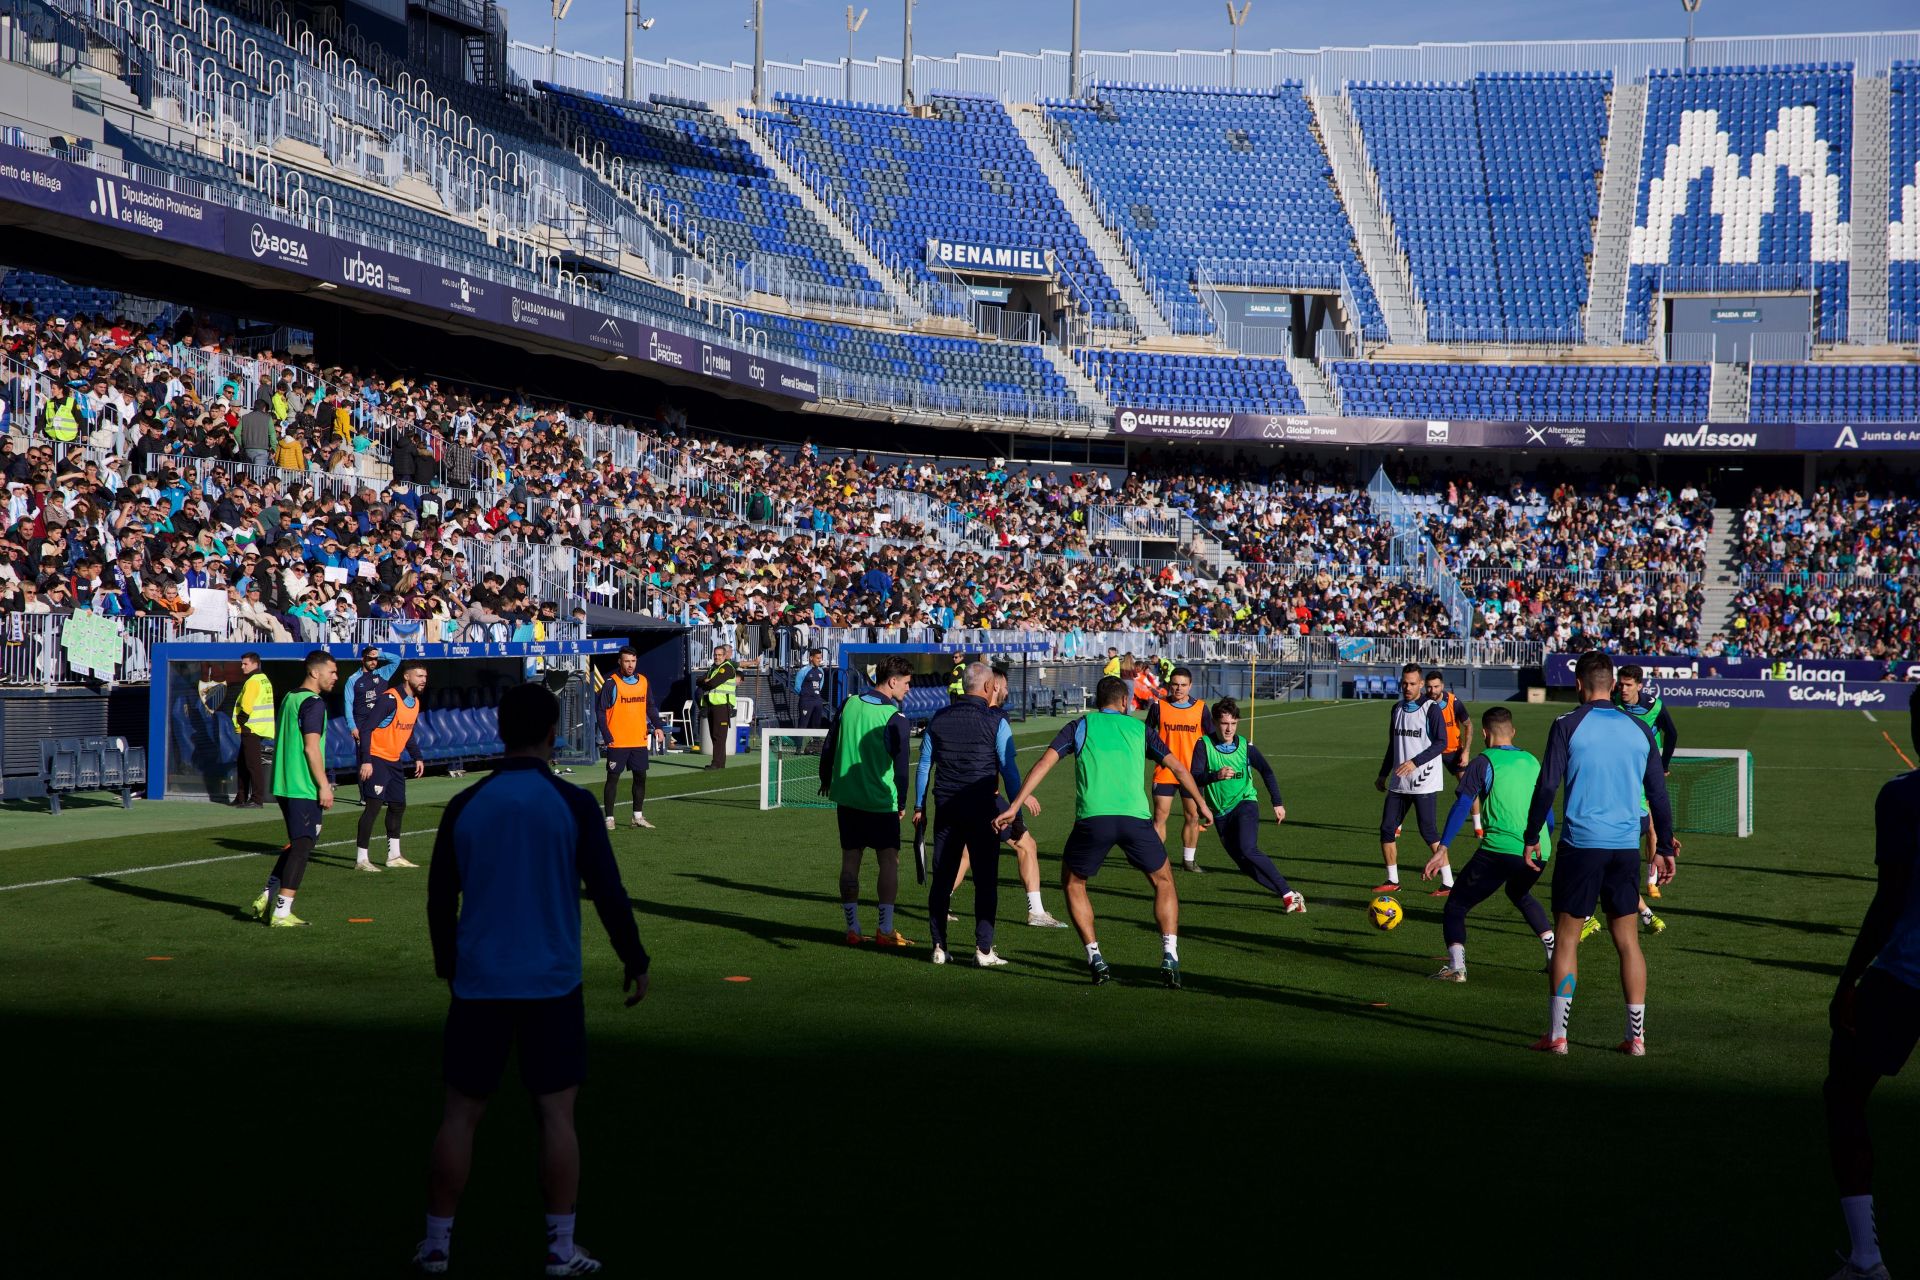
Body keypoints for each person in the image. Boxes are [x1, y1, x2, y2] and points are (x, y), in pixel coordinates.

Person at [416, 682, 651, 1277]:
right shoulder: (571, 804)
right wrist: (635, 957)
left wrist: (448, 962)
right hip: (550, 980)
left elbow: (440, 895)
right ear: (553, 733)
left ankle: (437, 1245)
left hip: (481, 981)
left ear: (499, 730)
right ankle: (559, 1247)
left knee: (461, 1113)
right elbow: (607, 890)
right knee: (555, 1114)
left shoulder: (466, 804)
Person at [994, 675, 1212, 989]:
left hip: (1093, 820)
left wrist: (1015, 805)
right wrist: (1202, 804)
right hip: (1135, 819)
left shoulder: (1080, 726)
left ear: (1097, 701)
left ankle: (1094, 956)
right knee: (1163, 880)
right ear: (1125, 702)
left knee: (1073, 881)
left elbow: (1044, 763)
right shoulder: (1140, 729)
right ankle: (1170, 953)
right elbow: (1178, 767)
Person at [1523, 650, 1677, 1056]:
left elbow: (1547, 786)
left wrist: (1531, 833)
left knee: (1569, 940)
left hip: (1581, 845)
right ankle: (1637, 1038)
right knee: (1628, 941)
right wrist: (1663, 847)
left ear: (1578, 685)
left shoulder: (1566, 725)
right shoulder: (1640, 729)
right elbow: (1658, 793)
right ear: (1612, 685)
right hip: (1626, 847)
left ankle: (1558, 1036)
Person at [1823, 683, 1920, 1280]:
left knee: (1845, 1094)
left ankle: (1866, 1256)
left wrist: (1848, 979)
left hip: (1905, 972)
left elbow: (1889, 900)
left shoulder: (1903, 797)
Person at [1423, 707, 1557, 982]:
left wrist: (1443, 848)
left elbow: (1462, 805)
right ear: (1513, 732)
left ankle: (1457, 967)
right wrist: (1543, 840)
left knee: (1456, 906)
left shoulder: (1484, 761)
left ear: (1484, 733)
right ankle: (1554, 955)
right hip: (1539, 849)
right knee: (1519, 893)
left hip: (1501, 850)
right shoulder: (1532, 761)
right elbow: (1549, 813)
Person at [916, 662, 1027, 967]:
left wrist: (918, 805)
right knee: (986, 880)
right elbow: (1009, 769)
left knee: (943, 878)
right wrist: (1016, 812)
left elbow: (925, 765)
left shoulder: (938, 717)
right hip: (983, 810)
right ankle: (984, 949)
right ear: (990, 687)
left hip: (947, 809)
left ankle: (939, 945)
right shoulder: (997, 720)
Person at [942, 670, 1068, 930]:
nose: (1008, 690)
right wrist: (1018, 800)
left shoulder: (963, 716)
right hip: (989, 800)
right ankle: (1036, 912)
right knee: (1026, 845)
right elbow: (1005, 766)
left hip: (958, 797)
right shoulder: (996, 717)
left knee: (965, 854)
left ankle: (941, 904)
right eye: (1006, 685)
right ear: (995, 685)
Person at [820, 655, 915, 948]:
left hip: (847, 797)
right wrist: (901, 801)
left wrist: (826, 779)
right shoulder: (895, 718)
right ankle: (884, 929)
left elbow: (829, 744)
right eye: (907, 683)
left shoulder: (849, 704)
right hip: (879, 801)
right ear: (893, 681)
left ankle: (852, 928)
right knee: (889, 860)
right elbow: (901, 768)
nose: (909, 689)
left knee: (850, 860)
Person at [247, 649, 338, 929]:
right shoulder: (314, 703)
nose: (336, 677)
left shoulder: (290, 697)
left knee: (301, 840)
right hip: (302, 785)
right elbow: (311, 748)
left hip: (285, 783)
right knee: (303, 846)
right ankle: (282, 912)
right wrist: (324, 785)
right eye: (332, 672)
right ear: (315, 672)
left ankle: (267, 895)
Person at [1189, 698, 1303, 913]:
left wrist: (1277, 803)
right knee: (1243, 863)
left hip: (1245, 803)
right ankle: (1290, 894)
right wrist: (1215, 776)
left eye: (1233, 723)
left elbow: (1267, 771)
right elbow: (1194, 777)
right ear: (1214, 722)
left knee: (1248, 848)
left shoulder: (1245, 746)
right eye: (1224, 723)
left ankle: (1287, 894)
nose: (1229, 728)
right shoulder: (1203, 745)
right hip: (1221, 813)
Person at [1375, 664, 1452, 896]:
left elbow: (1441, 743)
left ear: (1421, 684)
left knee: (1428, 831)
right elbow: (1393, 744)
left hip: (1424, 781)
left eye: (1412, 683)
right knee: (1387, 829)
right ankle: (1392, 880)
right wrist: (1383, 773)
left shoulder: (1431, 709)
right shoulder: (1396, 709)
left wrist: (1415, 762)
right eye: (1404, 683)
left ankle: (1449, 882)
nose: (1407, 687)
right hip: (1399, 782)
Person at [355, 659, 428, 872]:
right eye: (419, 676)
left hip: (395, 760)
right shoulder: (389, 699)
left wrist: (417, 756)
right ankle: (361, 859)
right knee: (374, 807)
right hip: (376, 759)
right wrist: (366, 760)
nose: (423, 680)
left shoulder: (414, 703)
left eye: (425, 676)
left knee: (398, 805)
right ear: (407, 676)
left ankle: (394, 856)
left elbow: (408, 733)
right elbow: (366, 729)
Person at [1614, 664, 1680, 901]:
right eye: (1620, 683)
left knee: (1652, 828)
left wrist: (1663, 766)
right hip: (1620, 775)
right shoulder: (1613, 705)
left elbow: (1671, 734)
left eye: (1628, 684)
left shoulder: (1654, 706)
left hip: (1645, 774)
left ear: (1639, 686)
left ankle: (1651, 881)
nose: (1623, 689)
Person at [1146, 667, 1215, 875]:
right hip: (1166, 771)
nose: (1178, 688)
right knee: (1159, 816)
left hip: (1192, 774)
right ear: (1169, 685)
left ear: (1190, 686)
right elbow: (1146, 736)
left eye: (1183, 685)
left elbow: (1211, 739)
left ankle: (1189, 861)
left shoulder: (1201, 708)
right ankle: (1157, 861)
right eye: (1175, 684)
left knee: (1192, 816)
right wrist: (1154, 755)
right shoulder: (1159, 706)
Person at [597, 647, 666, 831]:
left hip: (638, 740)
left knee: (640, 778)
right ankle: (609, 818)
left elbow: (650, 706)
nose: (630, 665)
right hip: (617, 741)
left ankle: (637, 816)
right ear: (619, 661)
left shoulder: (643, 681)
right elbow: (601, 711)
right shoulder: (611, 683)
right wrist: (606, 734)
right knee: (613, 779)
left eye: (633, 661)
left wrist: (658, 726)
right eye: (626, 661)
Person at [1425, 669, 1480, 838]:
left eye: (1436, 686)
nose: (1432, 691)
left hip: (1453, 751)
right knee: (1413, 785)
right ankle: (1398, 824)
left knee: (1468, 786)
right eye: (1429, 687)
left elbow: (1469, 725)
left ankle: (1478, 826)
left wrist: (1466, 751)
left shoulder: (1454, 702)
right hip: (1429, 752)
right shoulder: (1423, 702)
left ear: (1442, 686)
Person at [229, 650, 273, 808]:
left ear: (255, 664)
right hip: (257, 727)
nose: (242, 667)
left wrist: (241, 722)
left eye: (245, 663)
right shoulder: (264, 679)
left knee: (252, 765)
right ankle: (241, 796)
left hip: (250, 727)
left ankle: (256, 799)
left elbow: (246, 706)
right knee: (243, 763)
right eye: (242, 663)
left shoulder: (253, 681)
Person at [696, 643, 742, 771]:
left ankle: (717, 763)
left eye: (719, 655)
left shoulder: (726, 668)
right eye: (715, 655)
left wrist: (706, 682)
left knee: (719, 736)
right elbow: (698, 680)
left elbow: (712, 683)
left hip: (722, 706)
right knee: (714, 735)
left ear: (725, 655)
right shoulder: (712, 668)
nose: (717, 657)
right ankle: (719, 763)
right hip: (712, 705)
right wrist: (704, 681)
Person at [345, 646, 391, 750]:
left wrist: (380, 653)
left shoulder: (383, 673)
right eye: (370, 659)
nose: (373, 662)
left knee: (379, 759)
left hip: (380, 724)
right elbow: (348, 703)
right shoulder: (353, 679)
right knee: (363, 758)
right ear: (363, 659)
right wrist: (352, 726)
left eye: (375, 659)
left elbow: (396, 660)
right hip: (361, 724)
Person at [792, 648, 829, 729]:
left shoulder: (821, 671)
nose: (820, 660)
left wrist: (816, 694)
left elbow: (820, 685)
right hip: (806, 701)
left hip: (817, 701)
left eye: (820, 658)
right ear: (811, 658)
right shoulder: (803, 671)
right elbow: (797, 686)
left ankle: (816, 741)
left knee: (817, 724)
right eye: (818, 658)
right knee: (803, 724)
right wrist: (805, 695)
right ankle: (799, 741)